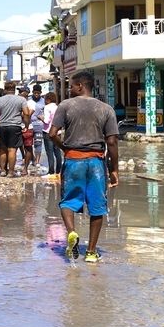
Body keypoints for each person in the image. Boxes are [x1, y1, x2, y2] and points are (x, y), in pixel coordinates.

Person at [50, 71, 119, 263]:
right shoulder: (106, 109)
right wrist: (114, 170)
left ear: (80, 85)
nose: (70, 89)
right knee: (98, 206)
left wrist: (65, 148)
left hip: (73, 161)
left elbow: (52, 134)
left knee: (67, 202)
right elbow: (112, 141)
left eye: (71, 86)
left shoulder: (65, 106)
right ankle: (90, 252)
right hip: (97, 163)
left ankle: (72, 232)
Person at [0, 82, 30, 177]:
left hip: (2, 126)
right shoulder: (21, 99)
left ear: (5, 89)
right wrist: (26, 125)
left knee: (2, 149)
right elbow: (26, 113)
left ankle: (2, 171)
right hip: (15, 126)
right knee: (12, 149)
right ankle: (10, 172)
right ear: (14, 89)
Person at [39, 92, 64, 176]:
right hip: (58, 132)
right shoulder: (58, 107)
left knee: (49, 152)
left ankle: (51, 171)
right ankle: (59, 170)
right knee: (57, 152)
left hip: (48, 132)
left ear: (48, 100)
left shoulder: (47, 107)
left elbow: (46, 121)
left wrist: (40, 118)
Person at [29, 84, 47, 175]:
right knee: (28, 144)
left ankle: (37, 161)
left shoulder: (44, 101)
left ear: (40, 93)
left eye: (38, 93)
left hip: (40, 125)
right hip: (29, 125)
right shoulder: (28, 101)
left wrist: (43, 118)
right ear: (32, 92)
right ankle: (31, 159)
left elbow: (46, 113)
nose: (36, 94)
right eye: (35, 93)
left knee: (38, 143)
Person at [18, 87, 36, 176]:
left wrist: (21, 113)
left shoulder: (31, 103)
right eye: (19, 92)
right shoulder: (17, 101)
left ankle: (25, 167)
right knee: (15, 147)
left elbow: (28, 114)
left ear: (27, 93)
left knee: (28, 147)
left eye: (21, 92)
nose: (19, 93)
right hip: (17, 126)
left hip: (28, 127)